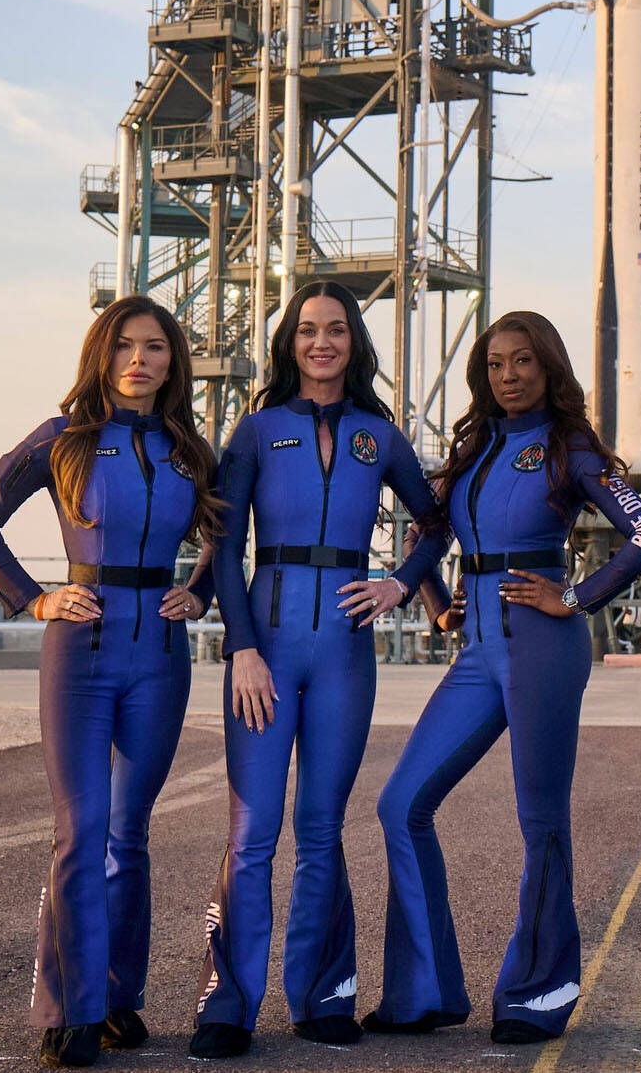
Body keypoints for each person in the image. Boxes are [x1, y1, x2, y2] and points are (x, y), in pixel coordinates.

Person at [362, 310, 641, 1046]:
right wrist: (434, 603)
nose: (509, 375)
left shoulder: (571, 450)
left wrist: (576, 597)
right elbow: (430, 539)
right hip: (477, 651)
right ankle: (423, 992)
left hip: (543, 645)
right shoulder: (471, 452)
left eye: (523, 361)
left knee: (540, 824)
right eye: (496, 364)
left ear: (548, 367)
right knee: (401, 805)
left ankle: (539, 991)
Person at [190, 282, 450, 1059]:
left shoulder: (379, 434)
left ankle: (322, 995)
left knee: (321, 829)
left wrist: (403, 582)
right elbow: (225, 550)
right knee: (252, 830)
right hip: (263, 652)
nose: (321, 343)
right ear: (289, 343)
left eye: (336, 330)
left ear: (353, 343)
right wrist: (240, 647)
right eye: (307, 331)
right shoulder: (257, 430)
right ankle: (229, 1003)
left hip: (344, 655)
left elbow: (437, 524)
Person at [0, 296, 217, 1069]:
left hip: (160, 658)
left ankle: (114, 999)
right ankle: (68, 1010)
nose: (139, 360)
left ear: (172, 362)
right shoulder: (63, 438)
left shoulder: (187, 448)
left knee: (128, 834)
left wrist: (200, 592)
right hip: (79, 653)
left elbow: (227, 537)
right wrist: (31, 597)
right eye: (124, 347)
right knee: (80, 830)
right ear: (101, 357)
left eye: (155, 348)